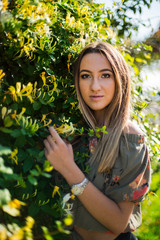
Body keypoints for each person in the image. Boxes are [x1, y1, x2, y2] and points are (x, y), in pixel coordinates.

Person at [44, 42, 151, 240]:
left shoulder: (130, 139)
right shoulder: (73, 130)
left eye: (105, 75)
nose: (94, 86)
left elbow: (118, 223)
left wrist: (69, 169)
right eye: (86, 76)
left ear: (120, 80)